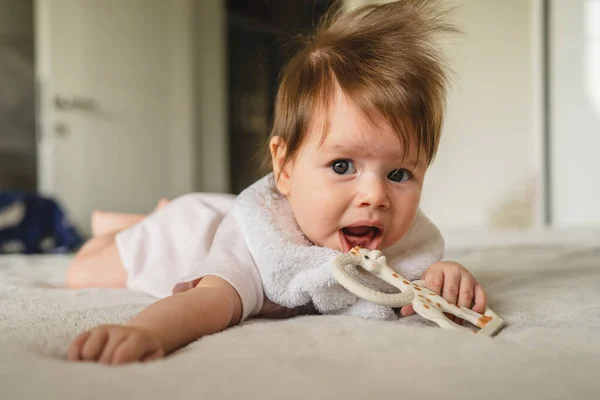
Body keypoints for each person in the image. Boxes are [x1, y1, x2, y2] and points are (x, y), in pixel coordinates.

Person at [66, 0, 487, 365]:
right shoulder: (258, 242)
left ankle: (137, 217)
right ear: (284, 169)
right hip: (187, 231)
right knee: (82, 271)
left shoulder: (399, 236)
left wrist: (444, 277)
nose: (375, 196)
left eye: (398, 174)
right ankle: (125, 228)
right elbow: (210, 303)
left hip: (219, 212)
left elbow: (413, 283)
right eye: (343, 166)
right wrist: (147, 333)